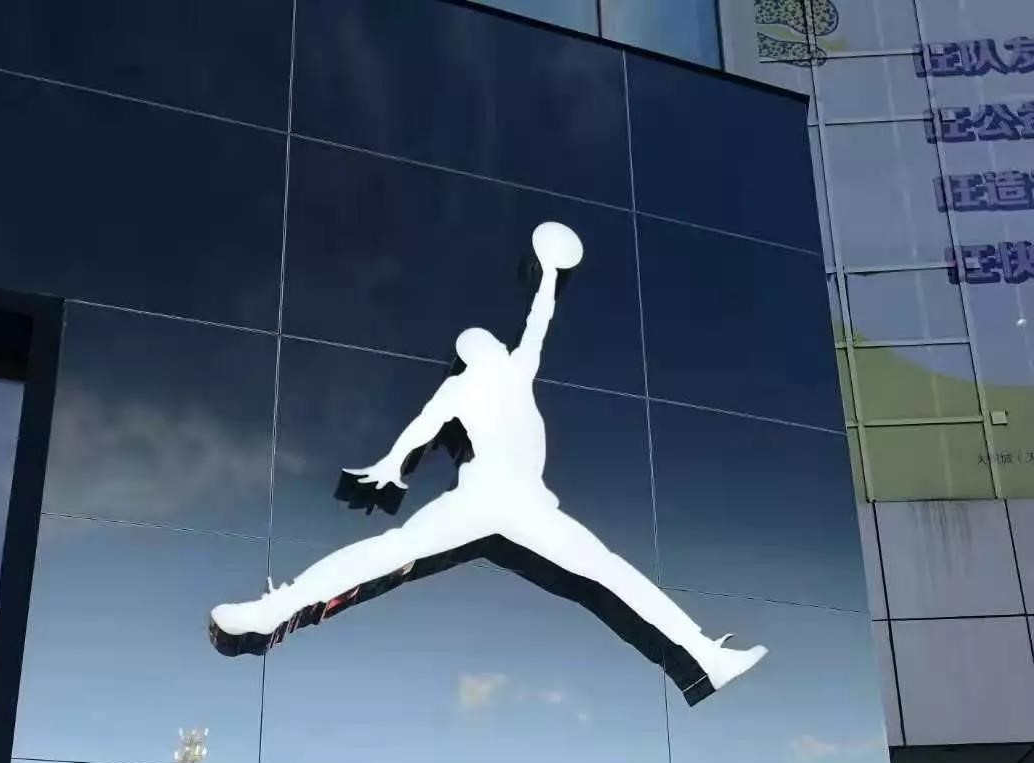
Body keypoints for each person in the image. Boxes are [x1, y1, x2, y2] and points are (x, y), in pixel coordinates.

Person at [209, 222, 763, 705]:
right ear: (473, 355)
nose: (489, 346)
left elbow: (538, 320)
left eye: (488, 343)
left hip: (524, 502)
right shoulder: (467, 386)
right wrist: (392, 464)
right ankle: (271, 612)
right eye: (479, 345)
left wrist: (550, 273)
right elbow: (424, 426)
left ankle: (704, 655)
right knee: (398, 554)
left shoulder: (512, 371)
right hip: (485, 499)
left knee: (606, 573)